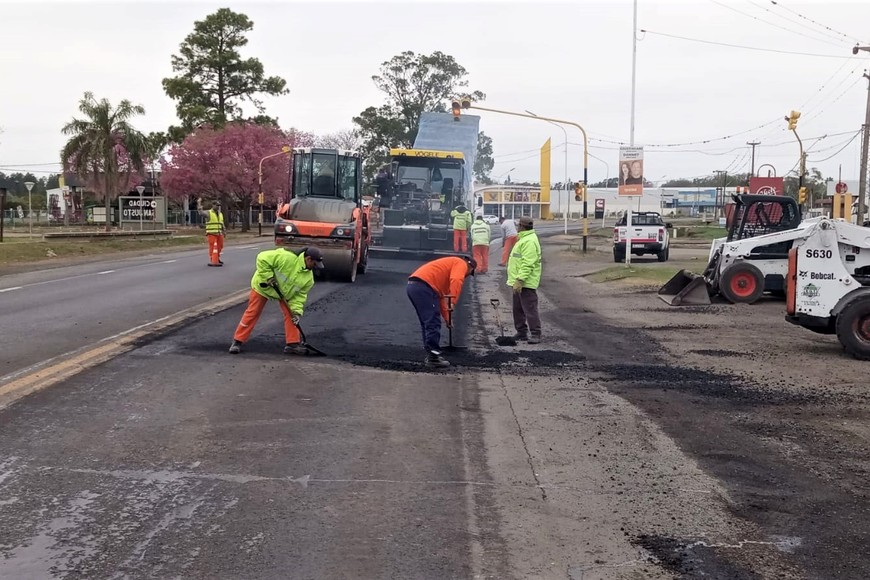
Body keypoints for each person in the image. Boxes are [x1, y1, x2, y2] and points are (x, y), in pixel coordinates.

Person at [229, 247, 325, 355]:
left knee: (292, 315)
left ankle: (292, 344)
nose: (315, 268)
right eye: (315, 264)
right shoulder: (286, 258)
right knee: (253, 312)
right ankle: (237, 341)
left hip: (283, 294)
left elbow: (299, 296)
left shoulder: (308, 279)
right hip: (264, 287)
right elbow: (262, 258)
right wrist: (268, 277)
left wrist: (296, 312)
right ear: (308, 259)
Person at [407, 255, 476, 368]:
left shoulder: (444, 272)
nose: (466, 276)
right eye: (469, 273)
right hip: (423, 287)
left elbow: (441, 300)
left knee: (427, 322)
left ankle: (431, 353)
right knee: (432, 322)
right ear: (470, 267)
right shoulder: (461, 264)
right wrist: (453, 301)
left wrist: (448, 319)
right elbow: (457, 280)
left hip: (415, 287)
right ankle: (433, 357)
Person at [507, 216, 542, 344]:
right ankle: (521, 332)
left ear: (521, 226)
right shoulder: (524, 239)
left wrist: (520, 280)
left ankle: (535, 333)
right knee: (518, 308)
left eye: (518, 225)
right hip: (517, 281)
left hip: (526, 282)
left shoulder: (529, 241)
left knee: (530, 309)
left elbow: (528, 263)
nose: (517, 227)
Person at [204, 201, 225, 266]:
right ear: (213, 205)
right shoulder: (209, 213)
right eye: (217, 205)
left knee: (220, 246)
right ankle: (213, 260)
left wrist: (224, 230)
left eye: (219, 205)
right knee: (213, 247)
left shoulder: (220, 214)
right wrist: (199, 206)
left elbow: (222, 223)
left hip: (219, 233)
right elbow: (201, 213)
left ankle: (217, 258)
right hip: (211, 233)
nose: (218, 207)